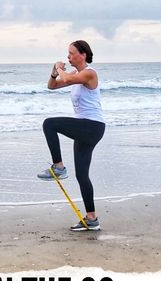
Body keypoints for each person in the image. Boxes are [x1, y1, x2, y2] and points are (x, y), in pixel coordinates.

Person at [37, 40, 105, 231]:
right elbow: (52, 86)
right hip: (87, 127)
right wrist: (53, 72)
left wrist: (60, 68)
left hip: (92, 125)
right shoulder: (75, 74)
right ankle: (92, 218)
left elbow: (65, 80)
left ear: (82, 55)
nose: (68, 57)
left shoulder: (89, 73)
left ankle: (58, 167)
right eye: (67, 54)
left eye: (71, 53)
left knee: (49, 124)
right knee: (82, 175)